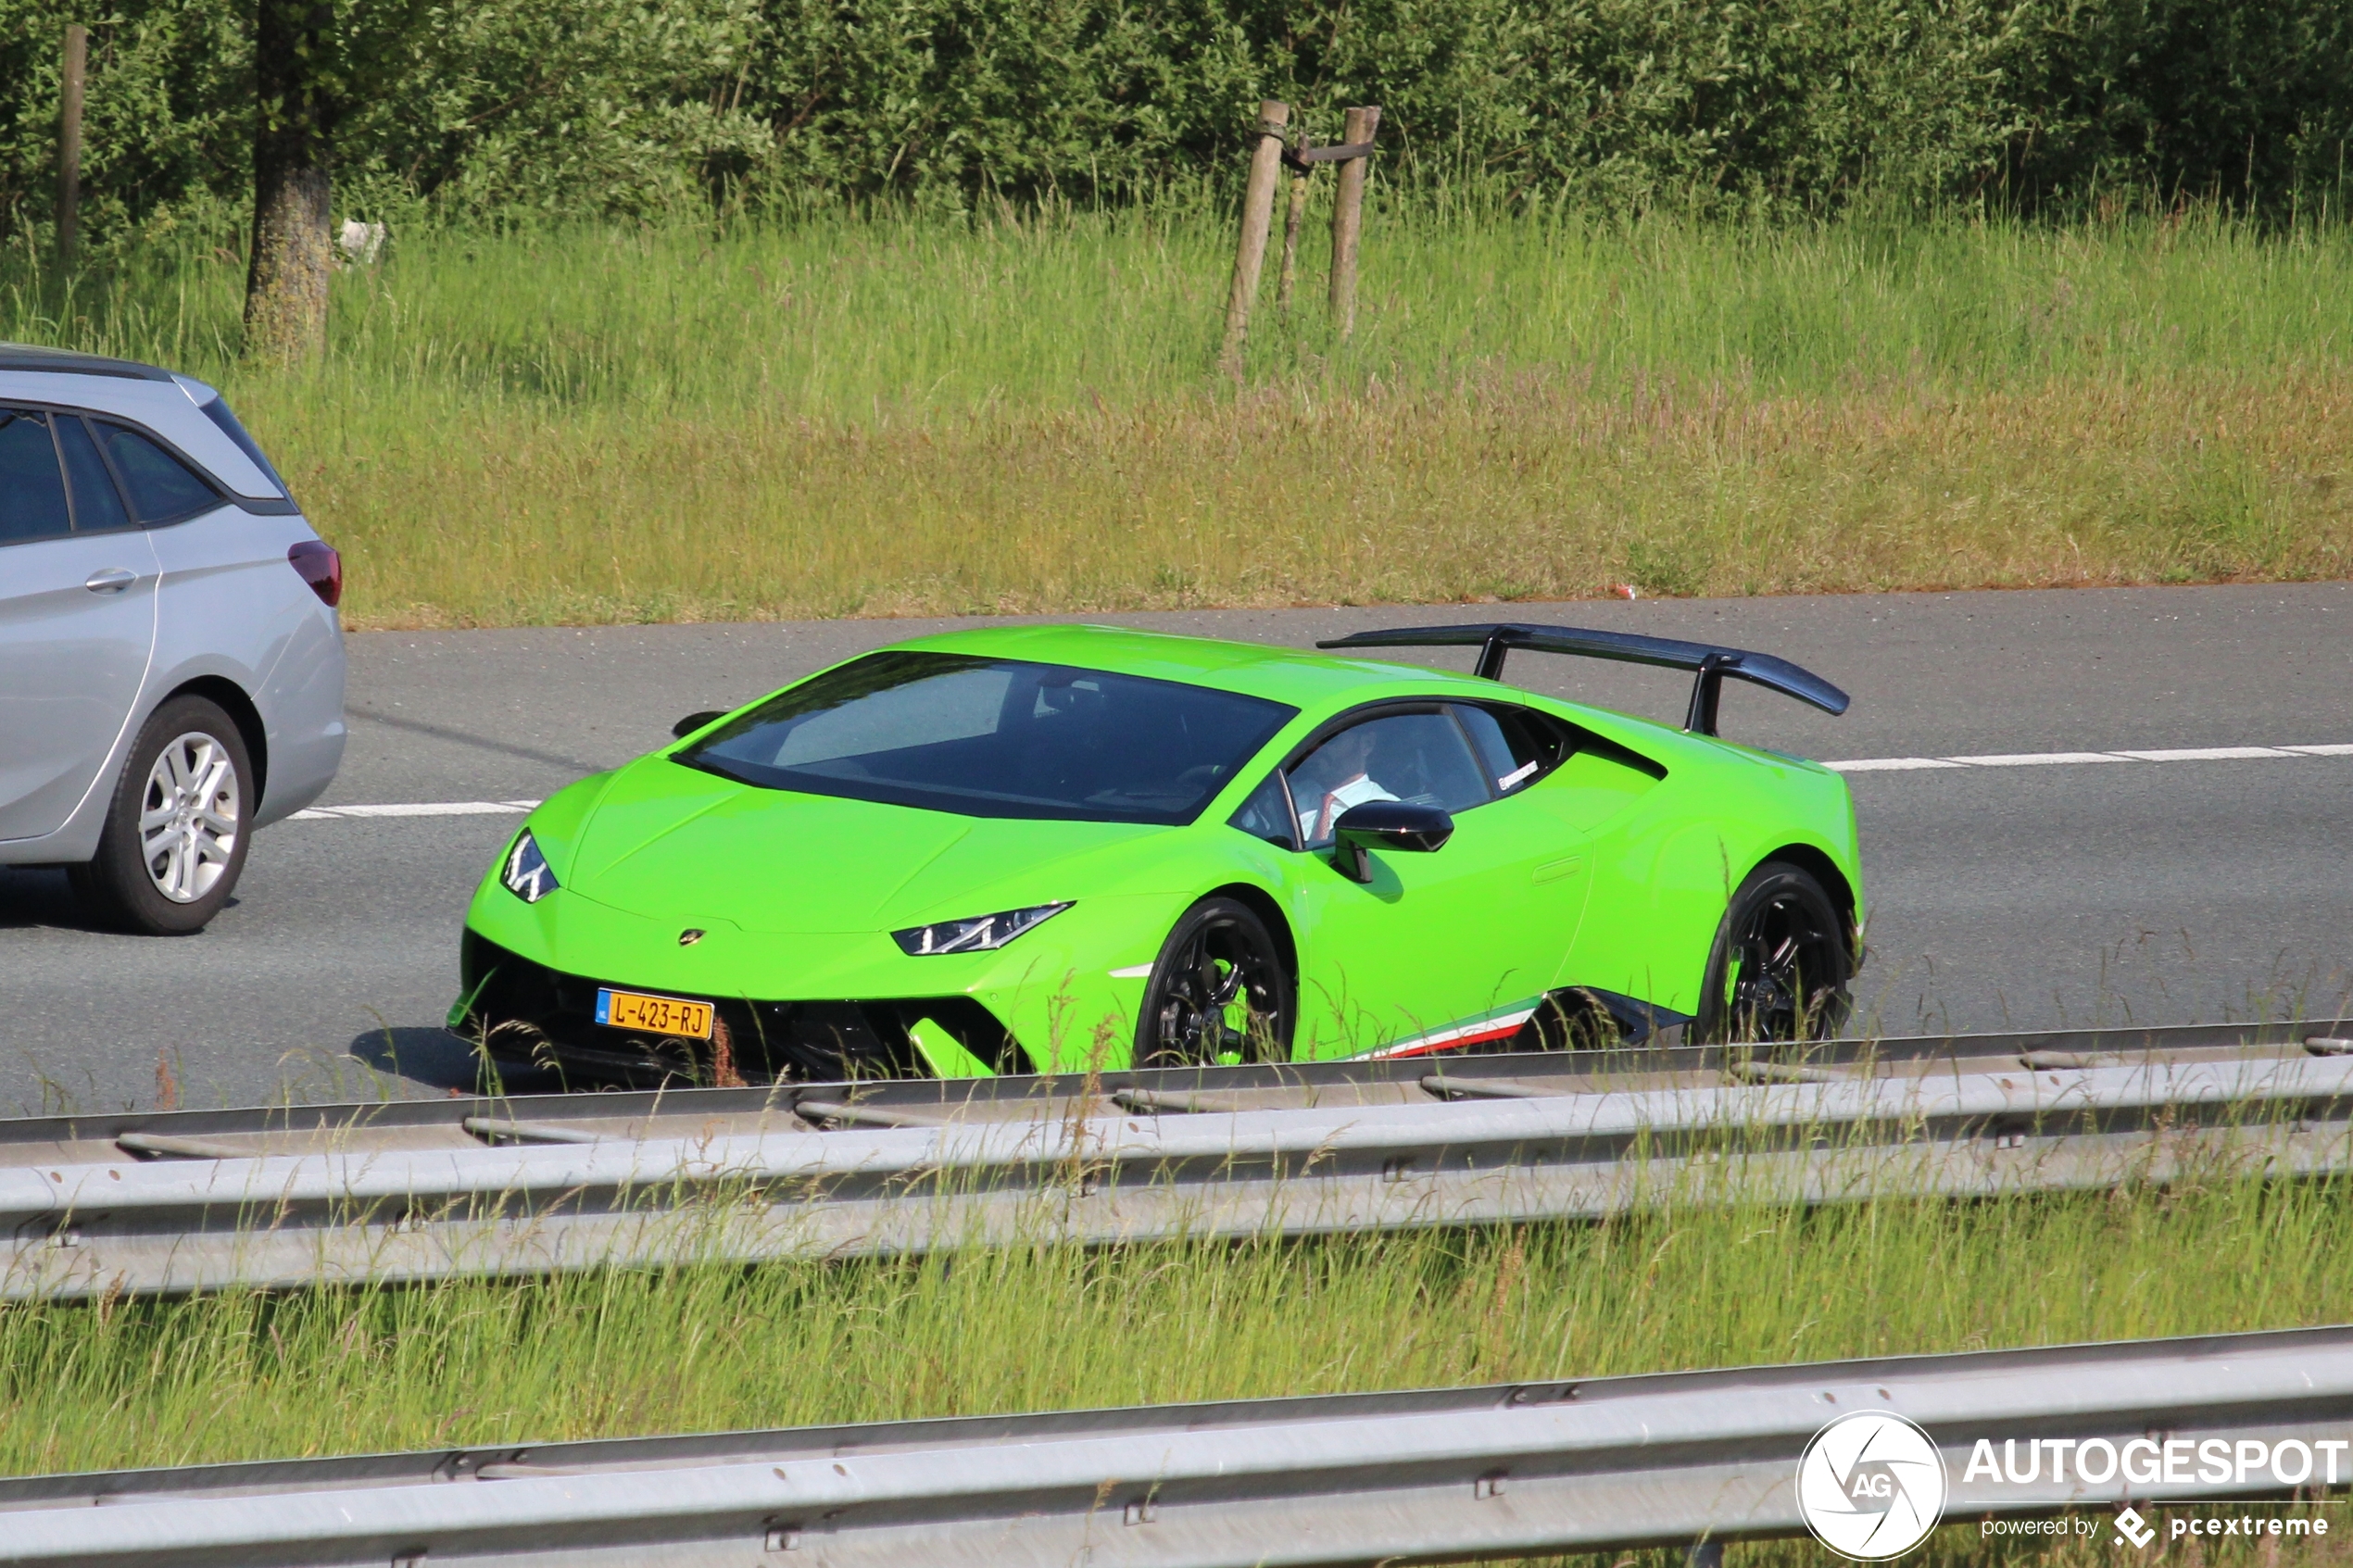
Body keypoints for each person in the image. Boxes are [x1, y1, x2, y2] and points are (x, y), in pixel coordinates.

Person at [1291, 724, 1398, 847]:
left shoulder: (1385, 813)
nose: (1317, 748)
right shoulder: (1282, 795)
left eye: (1330, 739)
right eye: (1311, 740)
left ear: (1367, 744)